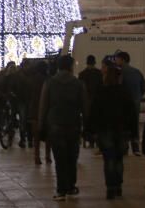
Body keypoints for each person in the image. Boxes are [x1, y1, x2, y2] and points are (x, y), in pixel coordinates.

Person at [38, 54, 87, 201]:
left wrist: (41, 126)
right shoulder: (78, 84)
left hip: (55, 124)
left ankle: (61, 190)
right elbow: (85, 106)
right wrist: (87, 125)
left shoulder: (50, 83)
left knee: (59, 159)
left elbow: (43, 105)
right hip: (73, 124)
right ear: (71, 66)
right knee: (72, 157)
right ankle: (71, 185)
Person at [87, 65, 138, 200]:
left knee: (108, 159)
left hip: (105, 130)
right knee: (119, 159)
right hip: (122, 130)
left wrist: (90, 130)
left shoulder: (101, 92)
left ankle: (110, 187)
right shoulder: (124, 92)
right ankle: (118, 186)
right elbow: (132, 114)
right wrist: (134, 133)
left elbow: (94, 112)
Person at [114, 51, 145, 155]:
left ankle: (124, 147)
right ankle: (136, 148)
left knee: (123, 125)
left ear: (122, 60)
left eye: (117, 59)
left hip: (122, 104)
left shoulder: (119, 72)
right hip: (135, 103)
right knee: (134, 124)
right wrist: (138, 97)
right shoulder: (137, 72)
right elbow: (143, 87)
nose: (115, 61)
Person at [29, 60, 51, 165]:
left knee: (36, 136)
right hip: (46, 110)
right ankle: (48, 155)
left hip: (34, 109)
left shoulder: (32, 80)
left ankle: (37, 156)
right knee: (48, 135)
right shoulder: (48, 79)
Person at [79, 55, 103, 148]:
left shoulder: (82, 74)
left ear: (87, 62)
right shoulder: (99, 73)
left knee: (86, 121)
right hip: (97, 102)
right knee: (97, 121)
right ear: (94, 62)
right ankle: (96, 140)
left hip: (86, 102)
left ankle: (88, 139)